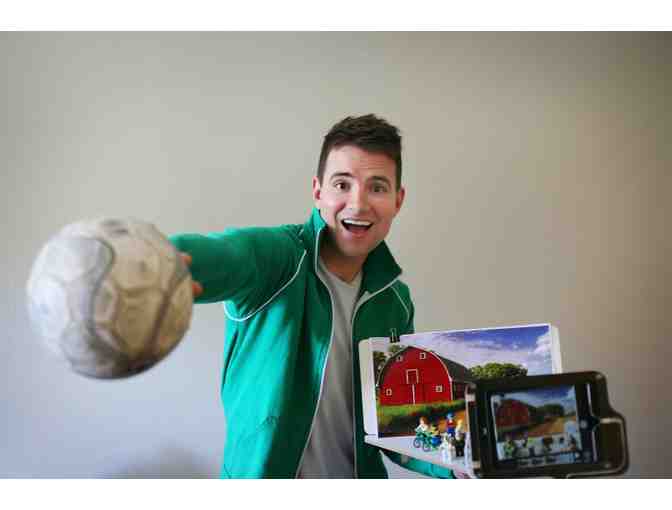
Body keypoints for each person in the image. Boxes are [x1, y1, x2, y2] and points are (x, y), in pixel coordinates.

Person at [170, 114, 454, 479]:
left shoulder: (395, 300)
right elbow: (227, 254)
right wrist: (158, 260)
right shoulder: (277, 259)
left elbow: (399, 426)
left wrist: (458, 466)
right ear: (318, 191)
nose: (358, 204)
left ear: (398, 201)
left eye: (377, 187)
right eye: (342, 184)